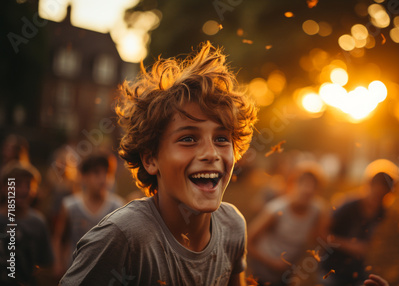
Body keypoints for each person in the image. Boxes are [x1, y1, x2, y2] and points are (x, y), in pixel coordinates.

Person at [60, 42, 257, 285]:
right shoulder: (123, 238)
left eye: (221, 139)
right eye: (188, 138)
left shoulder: (233, 227)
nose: (211, 153)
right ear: (150, 159)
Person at [247, 162, 328, 286]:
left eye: (313, 186)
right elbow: (247, 241)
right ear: (292, 185)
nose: (308, 190)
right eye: (304, 184)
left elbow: (318, 240)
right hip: (261, 274)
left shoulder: (317, 210)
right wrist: (272, 263)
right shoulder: (275, 210)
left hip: (288, 273)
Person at [53, 152, 124, 278]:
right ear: (84, 177)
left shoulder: (118, 207)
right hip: (75, 273)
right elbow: (59, 238)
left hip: (106, 277)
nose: (103, 179)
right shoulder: (70, 206)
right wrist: (58, 263)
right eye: (96, 173)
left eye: (107, 173)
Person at [320, 169, 397, 286]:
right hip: (331, 269)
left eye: (383, 197)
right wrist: (349, 245)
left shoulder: (382, 211)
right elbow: (320, 233)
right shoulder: (347, 206)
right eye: (376, 194)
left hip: (356, 270)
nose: (377, 201)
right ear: (368, 186)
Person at [0, 162, 54, 285]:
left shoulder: (38, 222)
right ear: (3, 187)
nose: (23, 190)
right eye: (16, 184)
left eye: (29, 185)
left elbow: (46, 264)